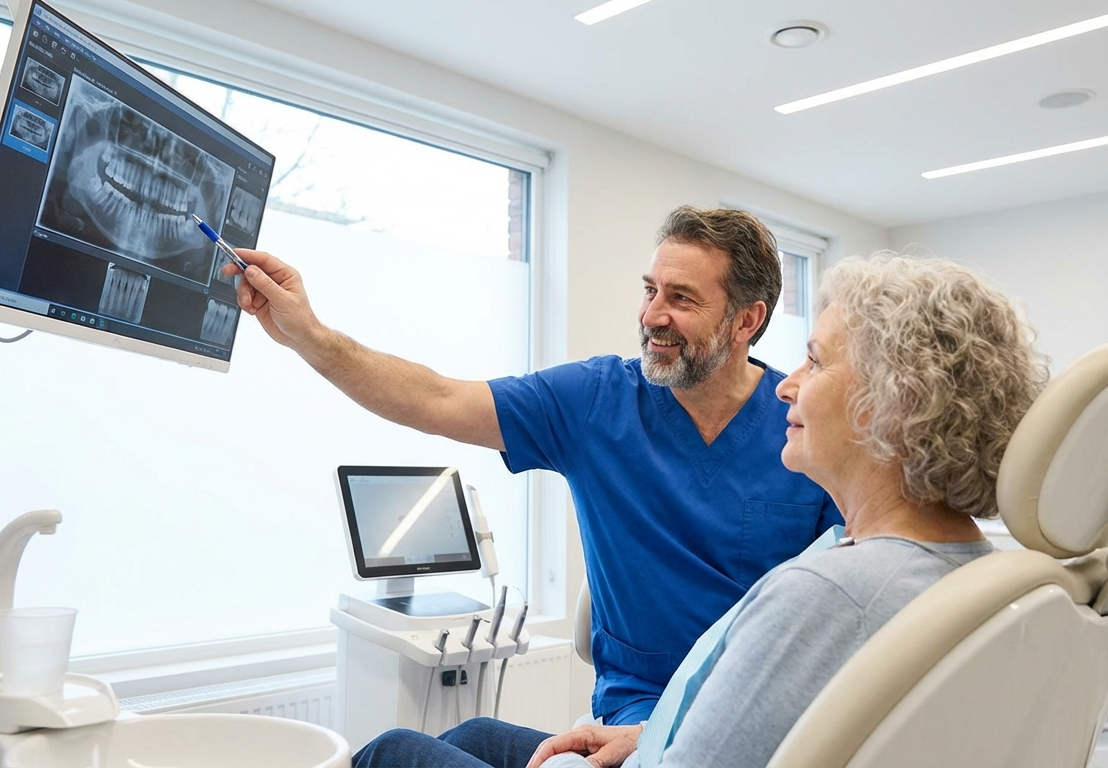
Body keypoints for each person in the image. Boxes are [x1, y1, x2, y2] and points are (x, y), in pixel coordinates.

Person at [347, 252, 1049, 767]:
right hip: (661, 729)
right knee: (472, 739)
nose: (788, 387)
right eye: (650, 289)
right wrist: (648, 734)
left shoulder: (823, 590)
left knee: (392, 753)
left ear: (892, 405)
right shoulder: (982, 574)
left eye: (815, 361)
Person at [226, 206, 840, 725]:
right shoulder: (597, 401)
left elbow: (846, 605)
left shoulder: (802, 424)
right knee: (409, 747)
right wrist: (309, 334)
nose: (653, 315)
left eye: (681, 298)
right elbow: (437, 398)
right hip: (640, 709)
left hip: (755, 717)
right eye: (649, 290)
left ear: (746, 320)